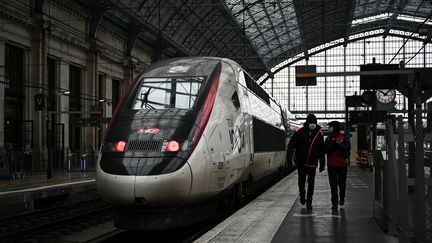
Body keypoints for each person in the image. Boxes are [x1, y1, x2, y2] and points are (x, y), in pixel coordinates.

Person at [287, 114, 325, 210]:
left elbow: (321, 151)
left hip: (312, 163)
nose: (313, 125)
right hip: (301, 162)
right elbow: (291, 146)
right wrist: (289, 159)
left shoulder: (319, 134)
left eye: (314, 123)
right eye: (311, 123)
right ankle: (302, 195)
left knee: (311, 183)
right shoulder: (299, 132)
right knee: (301, 181)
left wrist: (322, 164)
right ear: (307, 123)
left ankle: (309, 202)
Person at [325, 121, 351, 210]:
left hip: (342, 165)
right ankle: (334, 203)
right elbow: (325, 150)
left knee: (342, 183)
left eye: (331, 127)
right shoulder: (328, 139)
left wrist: (339, 145)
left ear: (335, 127)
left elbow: (348, 147)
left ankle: (342, 197)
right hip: (331, 165)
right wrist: (333, 145)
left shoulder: (344, 137)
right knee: (333, 185)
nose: (329, 128)